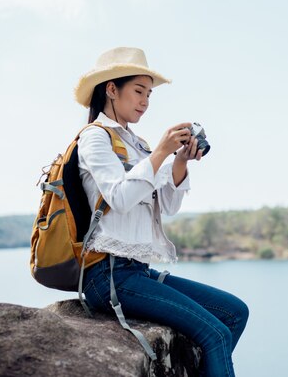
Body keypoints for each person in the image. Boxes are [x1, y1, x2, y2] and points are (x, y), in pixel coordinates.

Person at [73, 46, 249, 376]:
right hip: (107, 275)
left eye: (149, 94)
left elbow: (167, 205)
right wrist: (161, 152)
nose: (145, 101)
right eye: (138, 91)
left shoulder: (136, 143)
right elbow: (120, 198)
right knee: (215, 333)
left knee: (234, 312)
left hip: (136, 271)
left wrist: (179, 160)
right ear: (112, 89)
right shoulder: (94, 139)